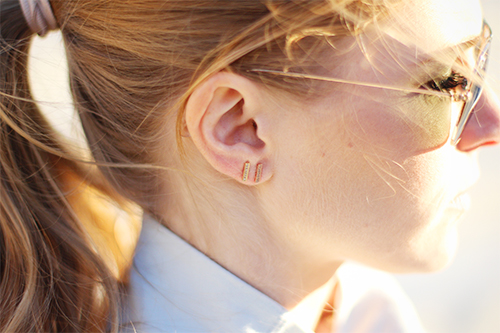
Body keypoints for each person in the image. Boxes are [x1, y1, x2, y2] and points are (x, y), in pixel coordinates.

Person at [1, 0, 499, 332]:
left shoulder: (366, 310)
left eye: (479, 59)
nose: (490, 122)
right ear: (239, 129)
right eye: (443, 85)